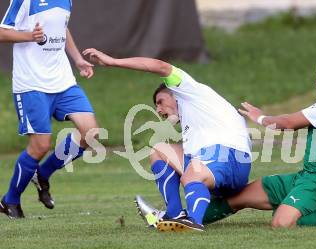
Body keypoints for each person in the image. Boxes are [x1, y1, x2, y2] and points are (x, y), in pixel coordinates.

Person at [82, 48, 252, 232]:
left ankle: (192, 223)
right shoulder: (196, 118)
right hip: (218, 172)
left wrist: (113, 62)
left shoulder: (189, 90)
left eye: (160, 101)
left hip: (230, 160)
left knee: (192, 173)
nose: (159, 110)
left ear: (173, 92)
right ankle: (174, 214)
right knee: (159, 150)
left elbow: (160, 66)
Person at [202, 52, 316, 228]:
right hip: (307, 177)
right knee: (237, 198)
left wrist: (261, 118)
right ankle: (187, 218)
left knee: (281, 222)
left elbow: (289, 123)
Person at [0, 0, 99, 218]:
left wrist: (78, 59)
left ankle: (43, 174)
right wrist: (30, 36)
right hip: (32, 85)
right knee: (40, 146)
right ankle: (10, 201)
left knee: (90, 133)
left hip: (63, 81)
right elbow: (2, 32)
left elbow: (61, 28)